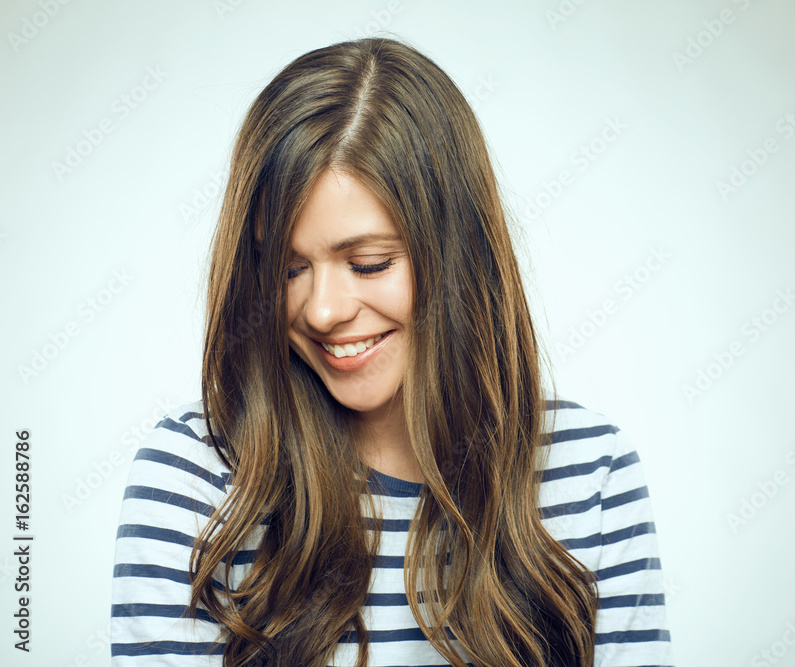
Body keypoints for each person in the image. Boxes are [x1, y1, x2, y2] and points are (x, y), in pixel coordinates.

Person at [110, 36, 671, 667]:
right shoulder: (195, 475)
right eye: (287, 269)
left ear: (458, 256)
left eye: (369, 263)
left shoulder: (591, 472)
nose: (322, 311)